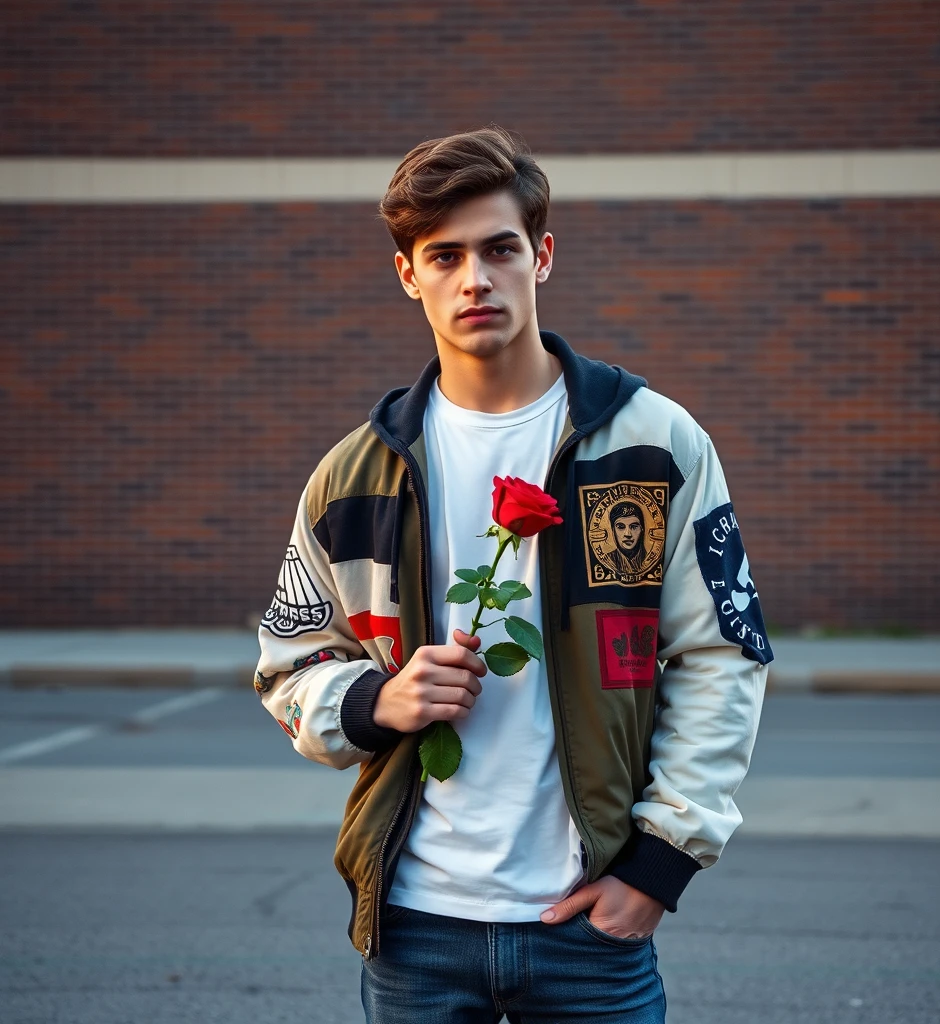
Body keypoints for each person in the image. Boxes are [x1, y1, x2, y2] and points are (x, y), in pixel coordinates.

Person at [254, 125, 774, 1023]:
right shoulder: (352, 478)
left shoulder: (652, 443)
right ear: (408, 275)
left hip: (590, 924)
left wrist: (660, 866)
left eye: (498, 249)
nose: (475, 279)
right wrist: (374, 701)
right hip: (415, 927)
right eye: (443, 256)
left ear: (541, 255)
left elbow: (722, 653)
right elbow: (288, 663)